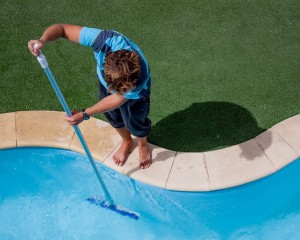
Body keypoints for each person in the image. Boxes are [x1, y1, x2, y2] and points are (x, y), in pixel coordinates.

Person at [28, 24, 152, 169]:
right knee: (113, 117)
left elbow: (118, 99)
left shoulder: (139, 77)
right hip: (108, 82)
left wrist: (84, 114)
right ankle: (126, 141)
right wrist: (42, 40)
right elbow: (61, 29)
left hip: (135, 96)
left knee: (136, 122)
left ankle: (143, 144)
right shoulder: (102, 40)